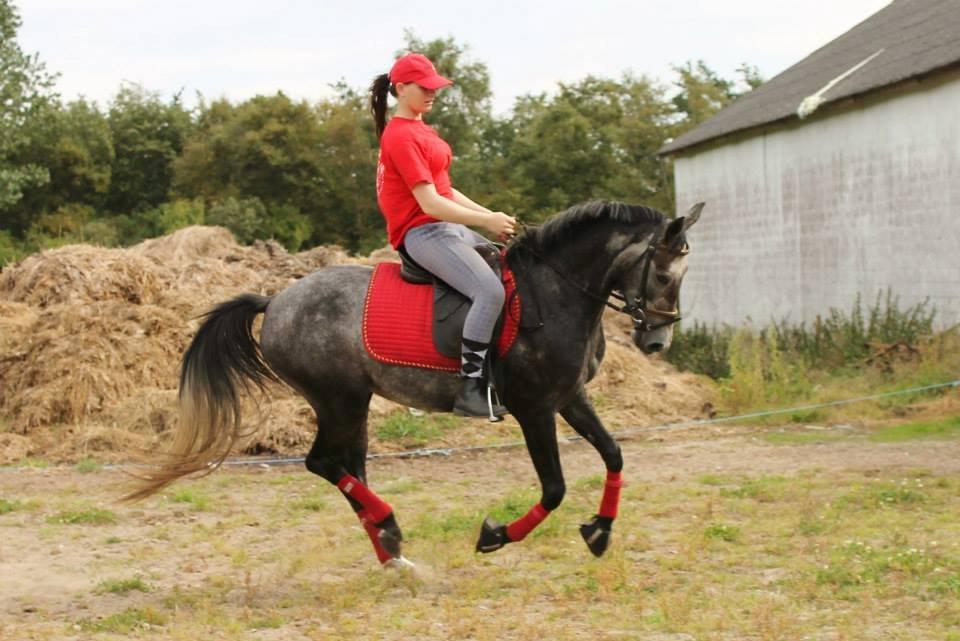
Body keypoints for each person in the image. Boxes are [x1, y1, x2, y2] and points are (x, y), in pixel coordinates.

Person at [370, 52, 516, 418]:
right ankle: (470, 389)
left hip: (446, 227)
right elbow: (431, 204)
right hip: (422, 233)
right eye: (426, 88)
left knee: (509, 268)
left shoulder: (422, 129)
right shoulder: (400, 136)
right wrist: (485, 222)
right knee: (488, 290)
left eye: (436, 87)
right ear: (402, 89)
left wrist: (490, 216)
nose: (433, 94)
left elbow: (447, 190)